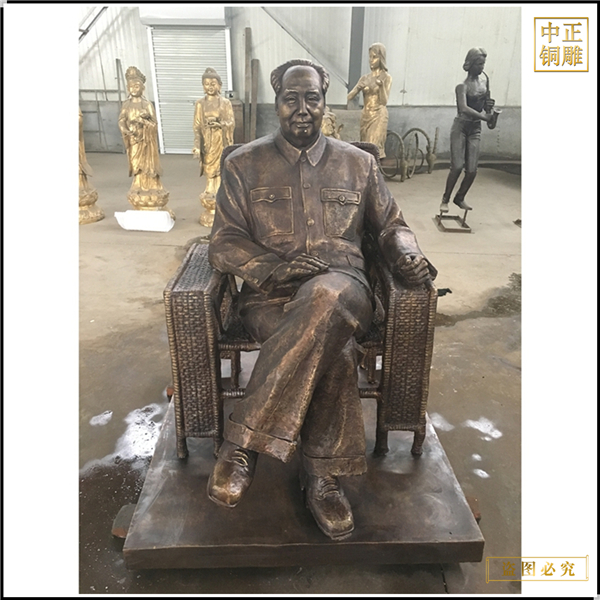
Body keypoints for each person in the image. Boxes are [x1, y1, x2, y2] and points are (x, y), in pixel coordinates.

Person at [207, 59, 436, 541]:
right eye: (291, 99)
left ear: (324, 103)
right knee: (335, 349)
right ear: (276, 103)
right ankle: (323, 478)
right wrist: (272, 267)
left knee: (327, 296)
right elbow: (224, 242)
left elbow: (391, 226)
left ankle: (242, 442)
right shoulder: (243, 165)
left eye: (311, 98)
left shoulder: (358, 164)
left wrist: (408, 255)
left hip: (346, 287)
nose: (302, 108)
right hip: (270, 299)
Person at [440, 48, 496, 213]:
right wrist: (484, 117)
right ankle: (445, 199)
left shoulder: (484, 85)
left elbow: (487, 114)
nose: (481, 67)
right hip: (461, 127)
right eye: (478, 64)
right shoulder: (462, 87)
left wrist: (490, 110)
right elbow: (463, 108)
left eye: (483, 64)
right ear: (470, 64)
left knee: (472, 170)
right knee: (457, 166)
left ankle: (460, 197)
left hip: (475, 128)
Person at [118, 66, 170, 213]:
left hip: (146, 140)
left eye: (137, 86)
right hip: (133, 140)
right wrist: (126, 130)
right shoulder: (126, 105)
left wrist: (144, 122)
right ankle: (138, 186)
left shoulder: (147, 105)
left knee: (148, 165)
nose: (134, 89)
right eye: (131, 87)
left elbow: (154, 124)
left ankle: (153, 186)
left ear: (143, 88)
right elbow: (121, 120)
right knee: (137, 165)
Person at [192, 67, 235, 227]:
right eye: (206, 84)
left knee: (222, 166)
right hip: (208, 141)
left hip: (220, 140)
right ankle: (211, 192)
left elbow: (231, 122)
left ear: (219, 85)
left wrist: (220, 124)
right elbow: (197, 126)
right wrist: (197, 145)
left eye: (213, 83)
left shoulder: (225, 103)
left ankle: (222, 192)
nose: (210, 87)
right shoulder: (200, 104)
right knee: (209, 169)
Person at [347, 43, 392, 158]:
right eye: (370, 57)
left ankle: (376, 168)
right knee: (365, 149)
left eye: (374, 57)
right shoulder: (365, 78)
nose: (371, 60)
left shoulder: (386, 77)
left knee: (374, 147)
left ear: (381, 58)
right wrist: (357, 88)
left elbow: (384, 101)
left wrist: (381, 87)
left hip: (378, 115)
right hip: (366, 115)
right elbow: (349, 97)